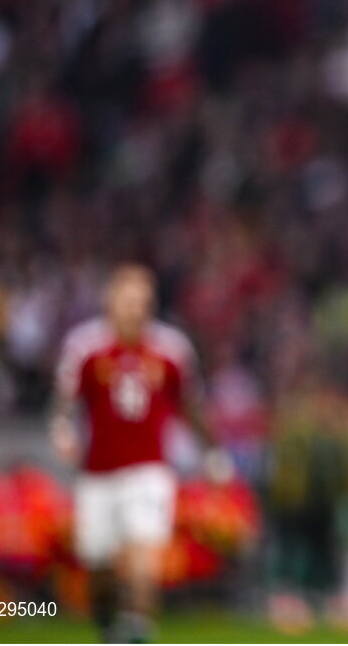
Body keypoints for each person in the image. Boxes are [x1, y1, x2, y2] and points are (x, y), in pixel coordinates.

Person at [49, 264, 230, 642]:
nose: (134, 310)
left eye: (141, 302)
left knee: (141, 552)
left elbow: (192, 405)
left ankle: (137, 630)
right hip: (98, 472)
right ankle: (109, 626)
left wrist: (212, 453)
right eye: (127, 300)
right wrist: (63, 431)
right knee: (98, 567)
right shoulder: (86, 346)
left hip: (149, 470)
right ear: (110, 301)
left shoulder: (171, 349)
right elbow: (65, 401)